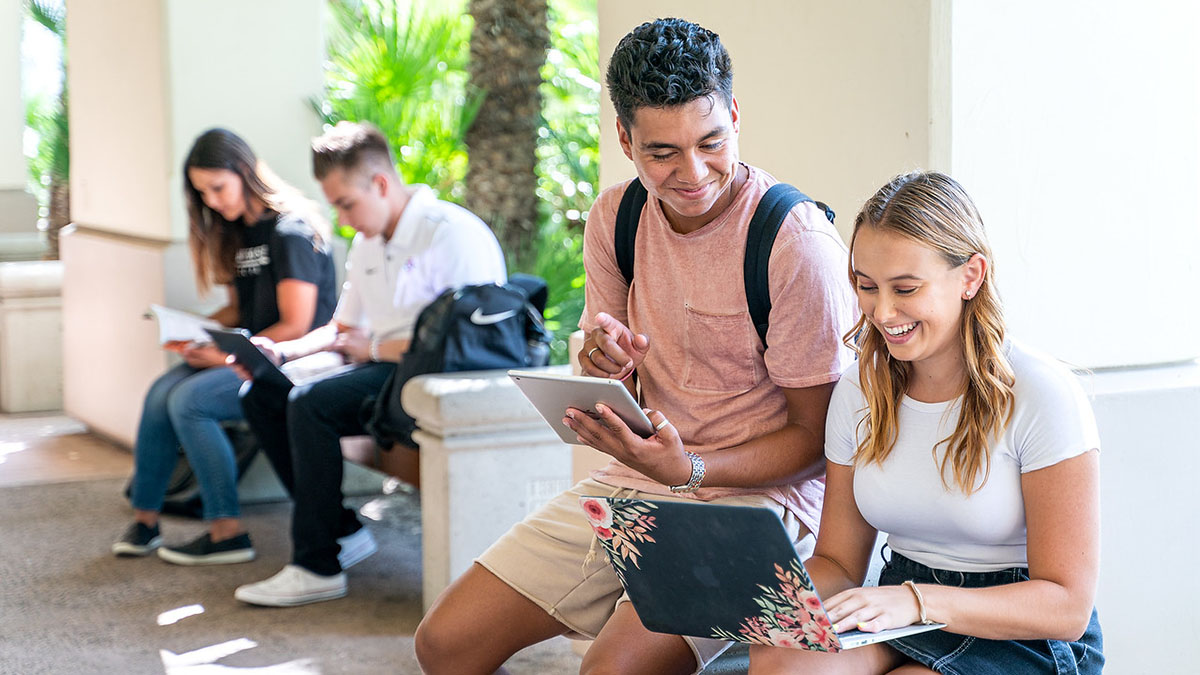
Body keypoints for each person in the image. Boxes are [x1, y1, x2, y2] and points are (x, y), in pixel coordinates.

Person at [415, 17, 858, 675]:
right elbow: (615, 376)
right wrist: (601, 367)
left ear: (735, 113)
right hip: (643, 480)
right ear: (624, 138)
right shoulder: (615, 217)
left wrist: (692, 470)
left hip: (759, 501)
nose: (694, 172)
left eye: (712, 141)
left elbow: (816, 439)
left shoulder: (793, 243)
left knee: (612, 669)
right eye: (662, 152)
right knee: (445, 645)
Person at [749, 171, 1104, 674]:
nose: (883, 311)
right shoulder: (859, 391)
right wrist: (761, 599)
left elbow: (1066, 607)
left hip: (1024, 631)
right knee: (784, 663)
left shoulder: (1042, 394)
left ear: (970, 276)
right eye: (866, 286)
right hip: (904, 605)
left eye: (906, 288)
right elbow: (839, 565)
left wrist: (917, 601)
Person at [231, 121, 507, 607]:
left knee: (310, 404)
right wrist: (280, 353)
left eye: (345, 204)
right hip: (385, 370)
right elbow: (342, 330)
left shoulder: (451, 235)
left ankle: (316, 565)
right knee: (263, 389)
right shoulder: (369, 242)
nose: (341, 219)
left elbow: (466, 345)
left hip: (437, 379)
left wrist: (375, 350)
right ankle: (339, 529)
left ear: (380, 184)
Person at [113, 128, 338, 565]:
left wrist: (226, 355)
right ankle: (145, 522)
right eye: (203, 193)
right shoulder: (239, 231)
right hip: (249, 352)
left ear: (245, 171)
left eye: (218, 188)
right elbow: (240, 310)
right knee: (161, 393)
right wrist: (193, 330)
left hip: (295, 361)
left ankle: (226, 532)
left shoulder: (291, 230)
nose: (212, 201)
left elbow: (296, 324)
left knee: (190, 401)